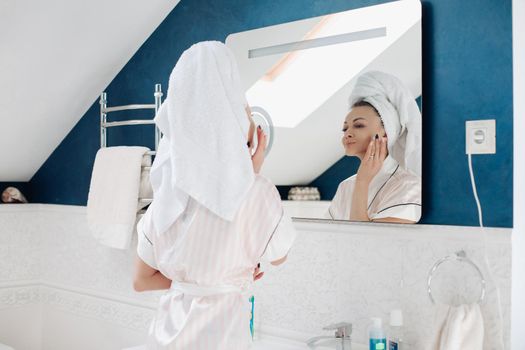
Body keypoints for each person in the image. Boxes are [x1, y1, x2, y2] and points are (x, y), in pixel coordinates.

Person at [132, 41, 297, 350]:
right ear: (234, 120)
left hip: (166, 340)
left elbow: (141, 281)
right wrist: (229, 279)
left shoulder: (166, 194)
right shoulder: (256, 193)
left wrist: (196, 282)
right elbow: (279, 256)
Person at [327, 71, 422, 223]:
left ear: (386, 133)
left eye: (358, 125)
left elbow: (369, 243)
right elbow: (330, 238)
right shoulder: (346, 186)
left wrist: (362, 182)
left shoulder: (409, 186)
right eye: (345, 128)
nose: (347, 134)